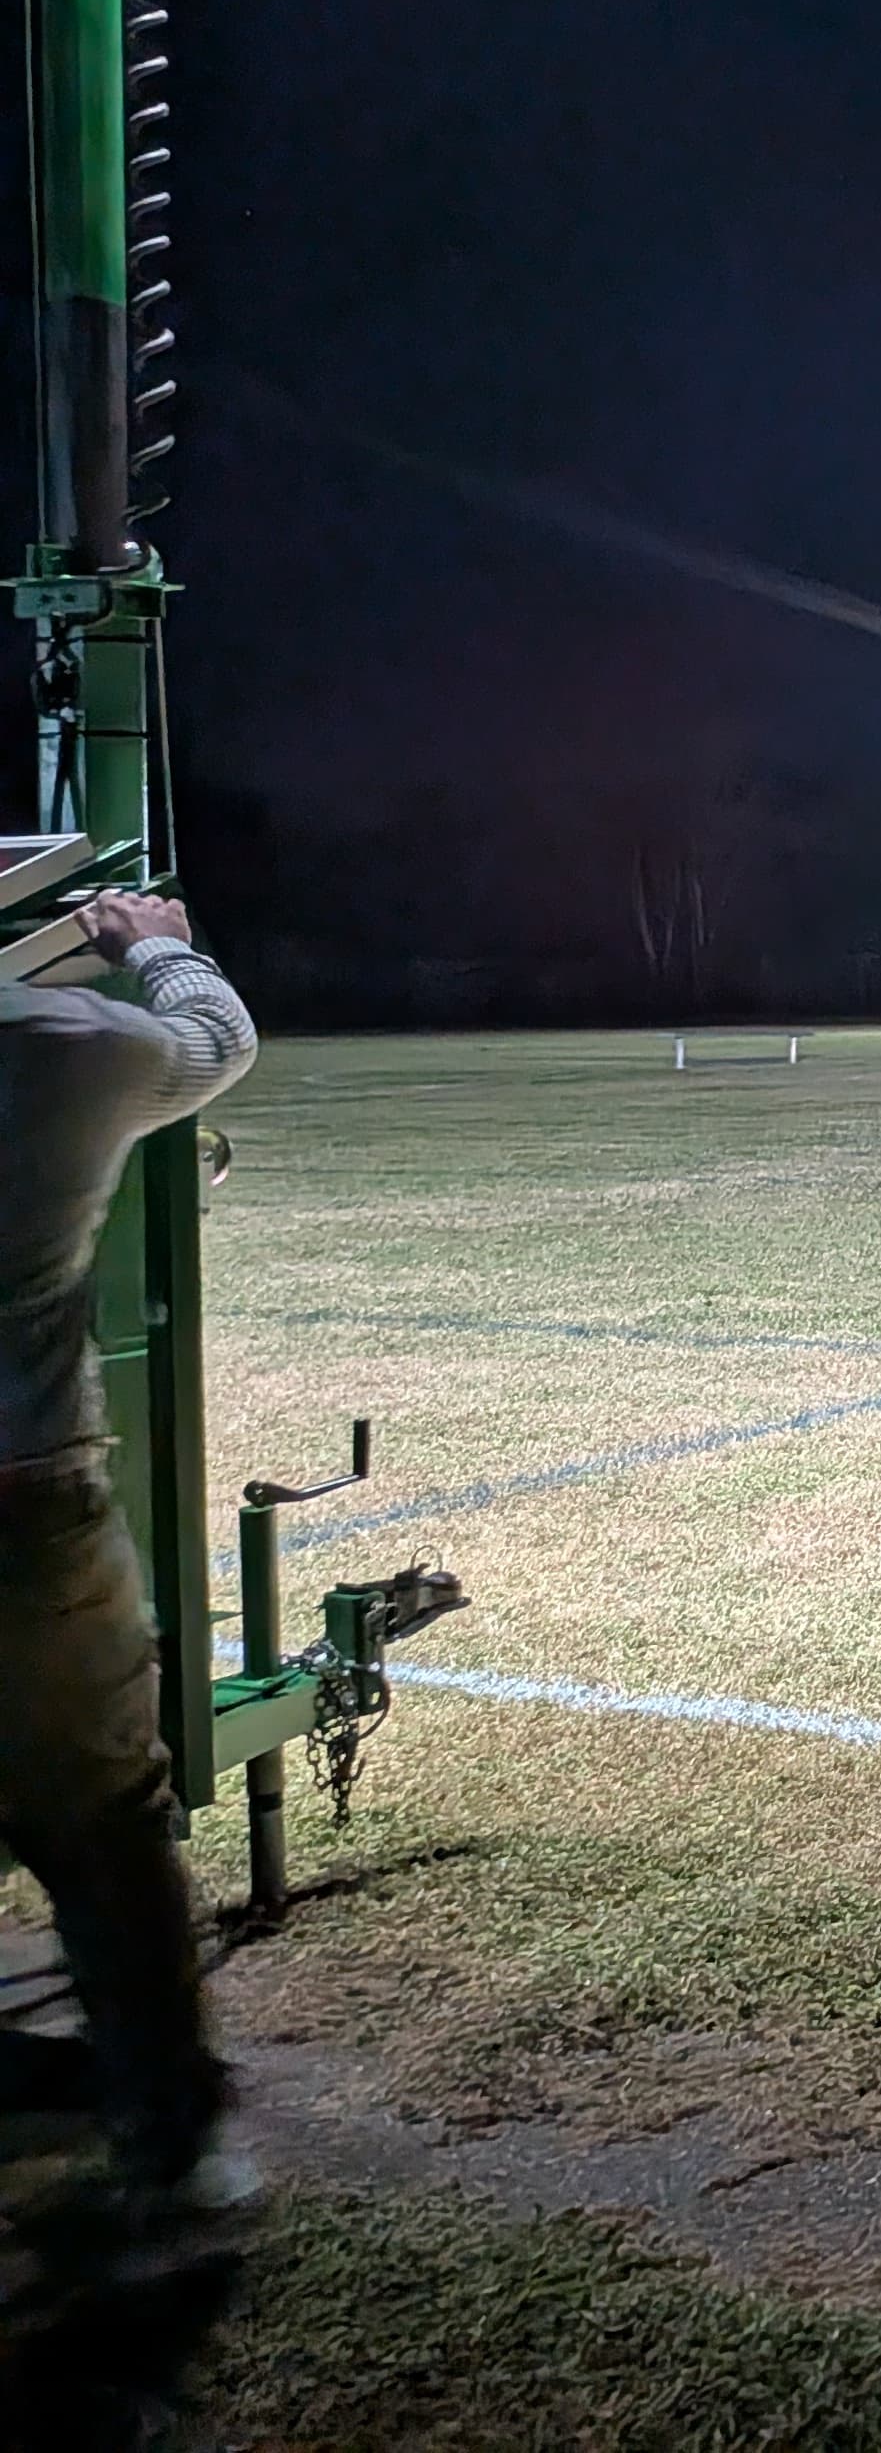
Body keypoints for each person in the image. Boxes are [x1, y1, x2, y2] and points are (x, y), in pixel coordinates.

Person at [0, 891, 262, 2423]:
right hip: (29, 1513)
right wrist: (152, 937)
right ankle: (178, 2144)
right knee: (105, 1832)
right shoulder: (63, 1046)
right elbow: (217, 1039)